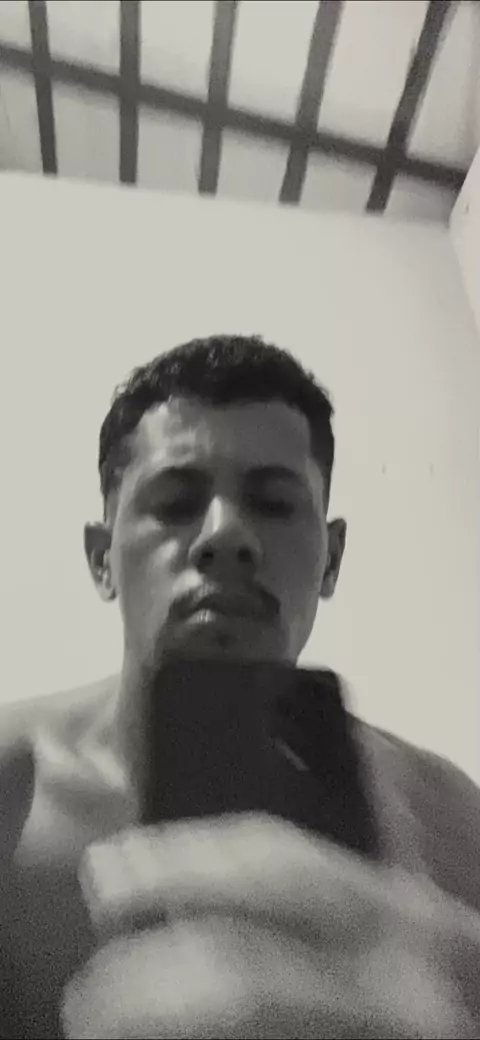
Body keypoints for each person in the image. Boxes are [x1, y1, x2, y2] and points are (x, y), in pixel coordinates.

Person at [2, 334, 480, 1039]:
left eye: (274, 504)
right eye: (176, 502)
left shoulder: (450, 818)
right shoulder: (11, 790)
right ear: (102, 560)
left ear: (331, 559)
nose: (226, 535)